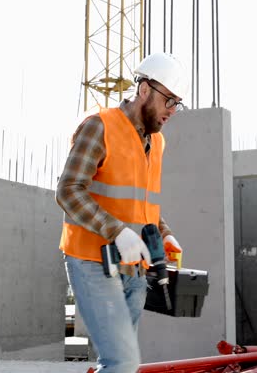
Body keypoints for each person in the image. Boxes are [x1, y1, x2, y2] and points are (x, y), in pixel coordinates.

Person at [56, 52, 187, 373]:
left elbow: (142, 204)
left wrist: (165, 232)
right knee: (123, 362)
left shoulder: (156, 144)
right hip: (91, 261)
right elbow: (69, 190)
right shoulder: (98, 127)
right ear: (145, 90)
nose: (172, 110)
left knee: (120, 365)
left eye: (177, 103)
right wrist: (117, 231)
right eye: (168, 100)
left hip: (133, 268)